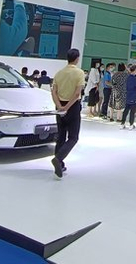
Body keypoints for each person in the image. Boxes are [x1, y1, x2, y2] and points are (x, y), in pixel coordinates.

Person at [50, 49, 85, 179]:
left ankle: (60, 164)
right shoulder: (79, 73)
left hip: (59, 106)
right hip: (73, 106)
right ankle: (58, 159)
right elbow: (77, 94)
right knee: (73, 137)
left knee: (61, 136)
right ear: (77, 58)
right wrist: (67, 107)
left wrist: (60, 106)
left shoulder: (59, 73)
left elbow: (54, 92)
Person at [122, 65, 136, 130]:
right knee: (132, 111)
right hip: (133, 96)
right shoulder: (135, 79)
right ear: (134, 70)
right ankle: (131, 125)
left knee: (126, 110)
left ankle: (122, 124)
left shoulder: (127, 77)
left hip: (127, 96)